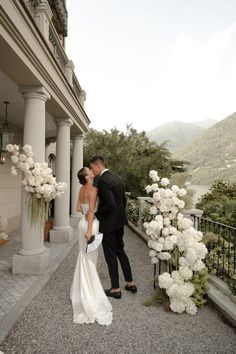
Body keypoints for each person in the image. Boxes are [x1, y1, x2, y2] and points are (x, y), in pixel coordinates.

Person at [89, 156, 137, 299]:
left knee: (110, 256)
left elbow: (110, 204)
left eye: (92, 168)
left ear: (98, 166)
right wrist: (118, 216)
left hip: (109, 225)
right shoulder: (116, 177)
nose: (92, 171)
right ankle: (130, 283)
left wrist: (97, 214)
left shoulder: (103, 181)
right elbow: (123, 200)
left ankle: (115, 289)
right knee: (120, 251)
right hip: (119, 222)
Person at [70, 167, 112, 325]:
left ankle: (80, 290)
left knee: (83, 255)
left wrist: (86, 217)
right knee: (90, 258)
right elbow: (90, 213)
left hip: (81, 224)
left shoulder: (81, 189)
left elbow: (78, 208)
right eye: (89, 171)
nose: (91, 171)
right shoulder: (93, 189)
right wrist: (89, 231)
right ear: (87, 177)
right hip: (90, 226)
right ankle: (90, 292)